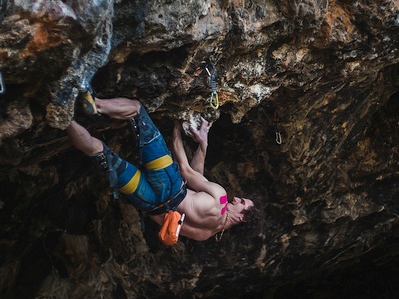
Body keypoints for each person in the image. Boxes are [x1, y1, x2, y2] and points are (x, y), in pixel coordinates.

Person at [66, 97, 261, 242]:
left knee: (136, 110)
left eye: (242, 202)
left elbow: (185, 171)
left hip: (168, 181)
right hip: (148, 200)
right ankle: (64, 117)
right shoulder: (205, 234)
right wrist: (203, 146)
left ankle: (96, 104)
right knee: (98, 151)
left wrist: (176, 129)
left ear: (243, 218)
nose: (236, 198)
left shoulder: (221, 198)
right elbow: (196, 182)